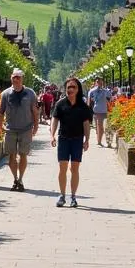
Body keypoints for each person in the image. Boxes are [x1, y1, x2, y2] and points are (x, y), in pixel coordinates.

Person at [50, 76, 92, 208]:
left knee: (74, 168)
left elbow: (86, 124)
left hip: (77, 140)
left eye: (73, 87)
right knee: (62, 168)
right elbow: (55, 119)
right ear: (65, 89)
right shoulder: (60, 104)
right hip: (63, 139)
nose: (71, 89)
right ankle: (62, 196)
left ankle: (73, 196)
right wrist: (52, 135)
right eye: (69, 87)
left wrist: (87, 140)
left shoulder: (83, 106)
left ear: (78, 89)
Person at [0, 68, 39, 191]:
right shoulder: (5, 94)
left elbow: (35, 112)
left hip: (26, 128)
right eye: (14, 77)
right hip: (10, 129)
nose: (16, 79)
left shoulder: (30, 93)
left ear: (22, 78)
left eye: (18, 77)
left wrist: (35, 126)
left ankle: (21, 179)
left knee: (23, 154)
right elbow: (0, 112)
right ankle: (15, 179)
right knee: (11, 156)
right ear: (11, 78)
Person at [87, 76, 111, 147]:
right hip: (97, 110)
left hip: (104, 110)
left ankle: (100, 140)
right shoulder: (92, 91)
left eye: (100, 81)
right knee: (99, 126)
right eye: (97, 82)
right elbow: (88, 102)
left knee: (103, 127)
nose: (99, 83)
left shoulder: (105, 91)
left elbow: (109, 98)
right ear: (95, 82)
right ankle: (99, 141)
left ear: (102, 82)